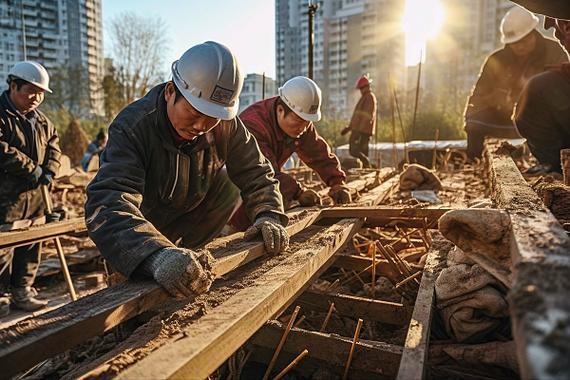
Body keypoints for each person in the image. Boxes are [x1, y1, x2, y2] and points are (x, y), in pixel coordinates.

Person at [85, 42, 289, 299]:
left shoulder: (226, 126)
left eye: (211, 116)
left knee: (228, 184)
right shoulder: (133, 126)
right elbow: (109, 200)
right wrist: (154, 255)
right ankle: (147, 267)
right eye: (194, 112)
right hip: (143, 223)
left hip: (191, 213)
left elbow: (257, 171)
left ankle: (188, 265)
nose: (201, 125)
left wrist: (268, 213)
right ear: (171, 91)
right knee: (135, 301)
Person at [228, 76, 351, 230]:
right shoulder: (253, 126)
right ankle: (230, 230)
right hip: (236, 193)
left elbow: (319, 154)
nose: (304, 129)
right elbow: (264, 176)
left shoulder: (301, 123)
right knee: (242, 225)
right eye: (300, 122)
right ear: (280, 110)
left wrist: (337, 182)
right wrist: (298, 192)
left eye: (308, 124)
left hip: (264, 187)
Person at [464, 5, 568, 159]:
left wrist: (531, 92)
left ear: (533, 33)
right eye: (515, 42)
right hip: (504, 118)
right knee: (475, 120)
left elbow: (564, 91)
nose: (520, 46)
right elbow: (476, 99)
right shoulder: (496, 60)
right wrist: (495, 99)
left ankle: (550, 162)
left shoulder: (554, 51)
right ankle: (474, 161)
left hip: (540, 119)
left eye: (524, 40)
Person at [0, 61, 61, 316]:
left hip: (36, 198)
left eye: (40, 94)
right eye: (31, 91)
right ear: (14, 86)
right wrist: (32, 169)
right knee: (4, 249)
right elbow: (2, 150)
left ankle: (23, 290)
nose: (36, 98)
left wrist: (50, 170)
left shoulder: (43, 122)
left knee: (32, 243)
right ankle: (1, 296)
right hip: (7, 198)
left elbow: (54, 146)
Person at [515, 17, 570, 173]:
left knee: (538, 88)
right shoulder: (499, 59)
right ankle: (556, 165)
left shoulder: (551, 48)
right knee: (537, 90)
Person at [341, 74, 377, 168]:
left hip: (363, 131)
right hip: (360, 130)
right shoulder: (364, 98)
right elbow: (357, 117)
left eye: (362, 88)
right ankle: (367, 165)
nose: (361, 90)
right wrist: (349, 128)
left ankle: (367, 164)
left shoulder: (369, 97)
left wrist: (359, 131)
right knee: (360, 150)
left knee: (355, 150)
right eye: (360, 88)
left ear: (367, 87)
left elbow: (367, 116)